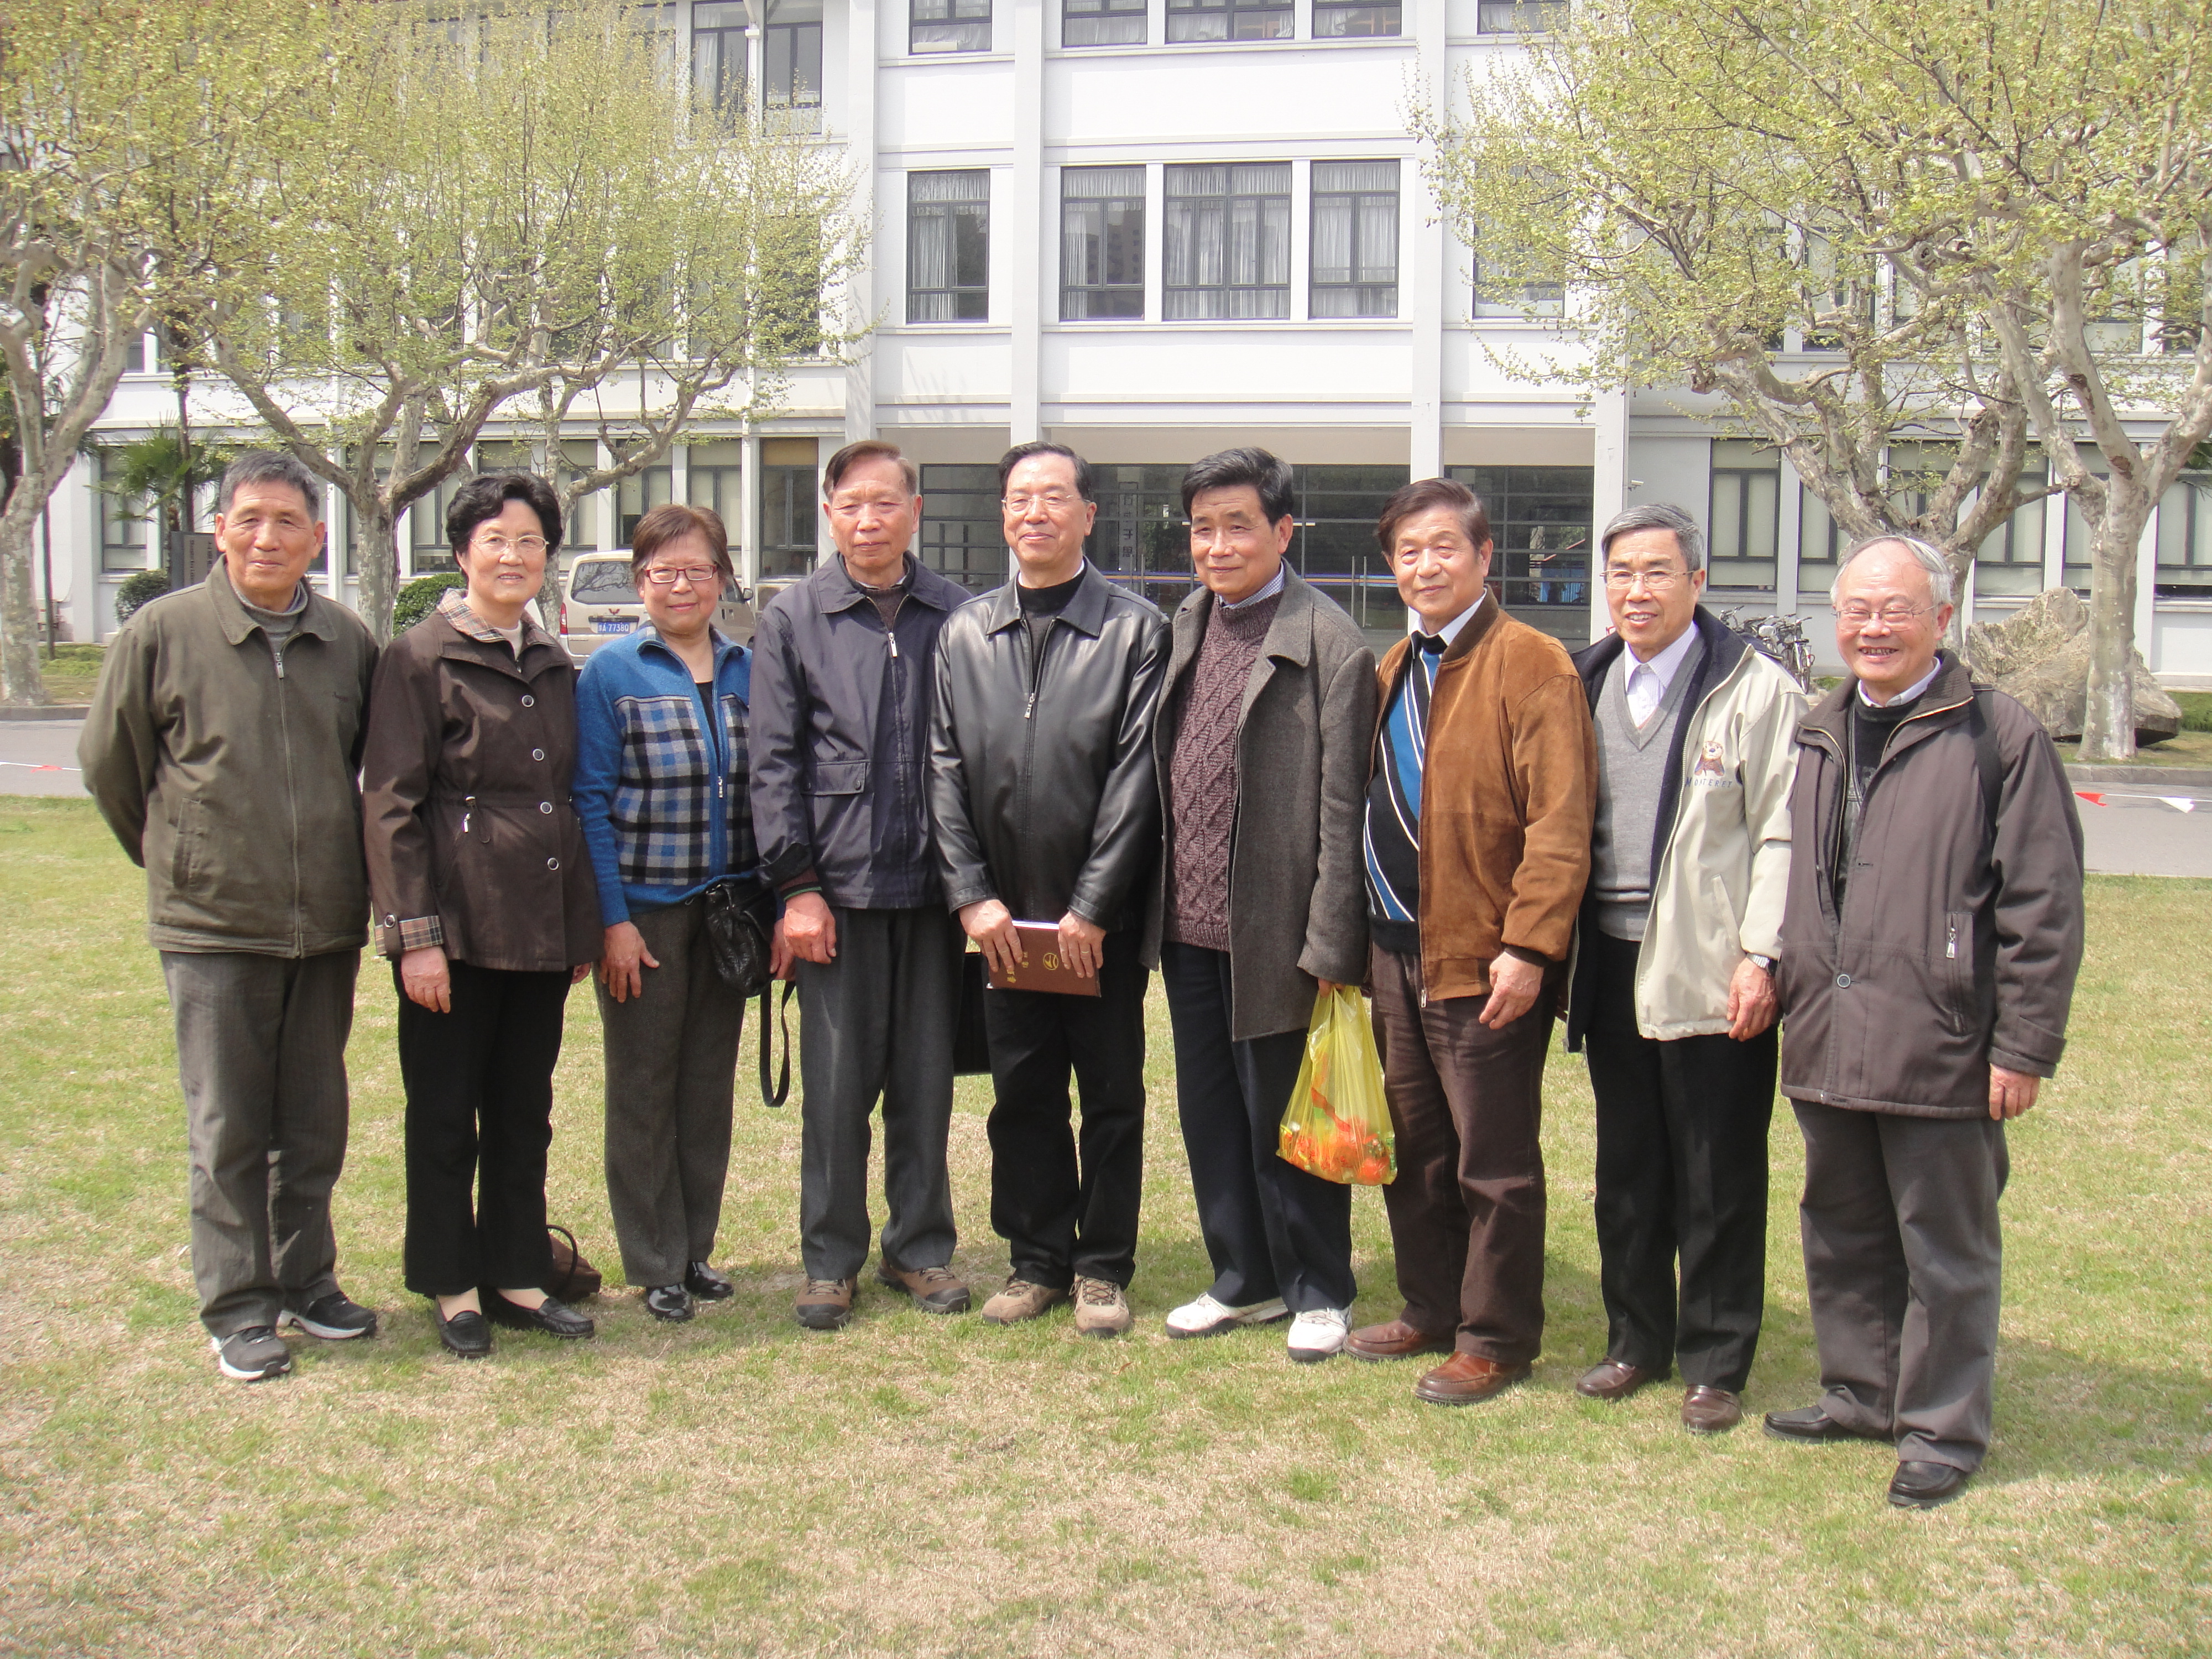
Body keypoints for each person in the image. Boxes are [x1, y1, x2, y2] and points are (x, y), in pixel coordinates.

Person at [1764, 534, 2083, 1509]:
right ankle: (1861, 1392)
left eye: (1896, 609)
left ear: (1942, 619)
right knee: (1843, 1226)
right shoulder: (1820, 726)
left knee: (1945, 1246)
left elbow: (2043, 906)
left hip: (1941, 1036)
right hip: (1829, 1028)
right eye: (1856, 610)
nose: (1874, 628)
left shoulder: (1999, 734)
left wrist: (2023, 1047)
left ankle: (1942, 1428)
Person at [79, 450, 382, 1383]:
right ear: (219, 530)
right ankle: (239, 1307)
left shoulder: (346, 641)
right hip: (213, 924)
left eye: (288, 522)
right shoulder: (163, 632)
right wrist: (182, 855)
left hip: (324, 921)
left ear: (318, 538)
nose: (267, 538)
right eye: (249, 519)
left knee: (314, 1122)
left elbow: (367, 768)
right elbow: (110, 765)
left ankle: (306, 1281)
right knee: (229, 1128)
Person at [1345, 477, 1596, 1404]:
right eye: (1408, 552)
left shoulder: (1532, 663)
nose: (1426, 566)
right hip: (1392, 951)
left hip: (1482, 959)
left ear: (1485, 556)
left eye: (1444, 547)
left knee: (1493, 1163)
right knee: (1416, 1150)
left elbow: (1561, 823)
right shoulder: (1393, 666)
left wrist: (1528, 949)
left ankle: (1496, 1338)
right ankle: (1431, 1306)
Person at [1563, 503, 1802, 1434]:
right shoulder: (1584, 678)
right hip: (1611, 963)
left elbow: (1781, 830)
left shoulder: (1753, 688)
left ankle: (1716, 1360)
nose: (1637, 591)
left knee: (1717, 1171)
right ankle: (1636, 1341)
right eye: (1621, 572)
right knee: (1627, 1169)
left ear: (1698, 582)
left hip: (1711, 967)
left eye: (1657, 571)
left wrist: (1761, 955)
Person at [927, 440, 1168, 1338]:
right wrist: (972, 896)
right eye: (1020, 497)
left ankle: (1101, 1266)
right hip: (1003, 923)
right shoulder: (965, 633)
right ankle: (1036, 1260)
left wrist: (1094, 906)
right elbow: (943, 769)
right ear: (1004, 514)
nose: (1036, 512)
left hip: (1096, 927)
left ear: (1088, 515)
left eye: (1055, 497)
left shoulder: (1136, 631)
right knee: (1022, 1095)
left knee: (1110, 1096)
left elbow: (1138, 776)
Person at [361, 472, 603, 1359]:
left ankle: (517, 1274)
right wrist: (414, 939)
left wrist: (578, 924)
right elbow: (390, 804)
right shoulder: (419, 657)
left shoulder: (552, 660)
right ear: (462, 553)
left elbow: (566, 798)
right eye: (495, 540)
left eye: (530, 541)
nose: (513, 556)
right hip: (455, 933)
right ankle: (452, 1283)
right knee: (443, 1113)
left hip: (540, 929)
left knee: (522, 1111)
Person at [1145, 447, 1377, 1361]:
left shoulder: (1330, 642)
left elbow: (1343, 810)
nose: (1218, 545)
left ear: (1282, 531)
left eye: (1237, 525)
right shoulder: (1187, 622)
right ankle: (1243, 1277)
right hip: (1188, 927)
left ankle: (1320, 1287)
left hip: (1277, 933)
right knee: (1211, 1113)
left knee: (1291, 1117)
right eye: (1202, 528)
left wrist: (1330, 943)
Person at [749, 440, 975, 1331]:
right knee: (837, 1093)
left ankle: (918, 1249)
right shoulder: (793, 617)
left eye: (886, 504)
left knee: (926, 1085)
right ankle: (829, 1260)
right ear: (829, 513)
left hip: (933, 890)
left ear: (915, 512)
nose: (869, 521)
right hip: (835, 892)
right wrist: (796, 887)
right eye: (852, 505)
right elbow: (772, 761)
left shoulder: (957, 613)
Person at [573, 503, 754, 1325]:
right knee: (644, 1087)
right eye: (661, 572)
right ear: (640, 582)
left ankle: (695, 1248)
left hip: (727, 912)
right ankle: (654, 1260)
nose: (681, 586)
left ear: (723, 578)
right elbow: (590, 800)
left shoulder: (750, 667)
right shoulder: (611, 673)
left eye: (698, 570)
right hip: (643, 917)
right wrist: (612, 921)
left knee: (707, 1087)